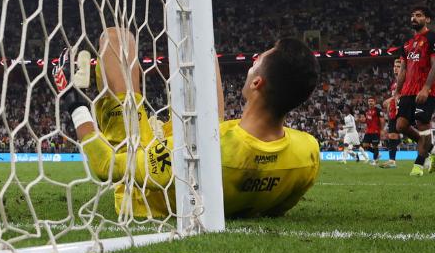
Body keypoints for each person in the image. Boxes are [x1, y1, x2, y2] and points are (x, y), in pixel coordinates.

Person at [68, 27, 320, 219]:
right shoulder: (307, 154)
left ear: (257, 83)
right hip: (207, 153)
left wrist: (74, 105)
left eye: (256, 63)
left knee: (116, 38)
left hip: (146, 185)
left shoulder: (200, 150)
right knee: (203, 43)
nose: (250, 66)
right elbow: (277, 209)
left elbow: (104, 165)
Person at [396, 7, 435, 176]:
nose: (414, 18)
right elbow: (403, 70)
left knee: (422, 122)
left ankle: (419, 164)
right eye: (412, 15)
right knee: (401, 126)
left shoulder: (432, 37)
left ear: (427, 19)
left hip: (426, 89)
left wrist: (426, 88)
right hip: (408, 91)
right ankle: (428, 145)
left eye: (418, 15)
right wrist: (397, 92)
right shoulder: (407, 43)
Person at [362, 97, 381, 165]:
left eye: (372, 101)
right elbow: (366, 120)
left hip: (375, 131)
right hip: (368, 131)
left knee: (375, 146)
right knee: (365, 145)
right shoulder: (366, 111)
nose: (370, 102)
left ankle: (375, 161)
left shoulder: (378, 110)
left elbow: (382, 120)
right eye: (369, 101)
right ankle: (378, 154)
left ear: (374, 102)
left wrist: (382, 129)